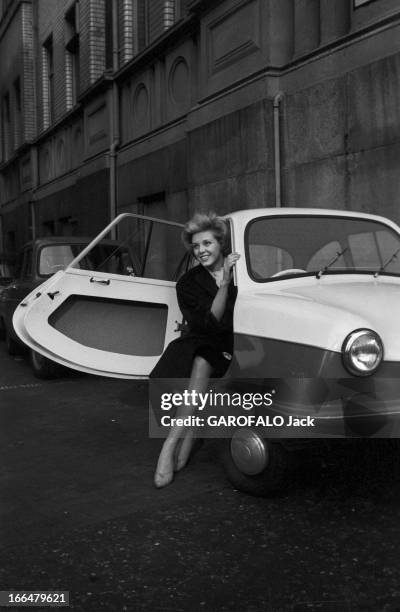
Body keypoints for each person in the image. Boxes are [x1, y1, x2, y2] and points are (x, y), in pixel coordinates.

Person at [150, 211, 240, 488]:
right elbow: (209, 323)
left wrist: (233, 277)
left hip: (234, 344)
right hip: (201, 340)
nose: (201, 250)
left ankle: (177, 440)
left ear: (221, 244)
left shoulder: (245, 274)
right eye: (197, 246)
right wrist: (224, 283)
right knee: (202, 359)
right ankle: (175, 442)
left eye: (207, 244)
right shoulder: (187, 283)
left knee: (205, 360)